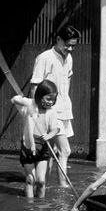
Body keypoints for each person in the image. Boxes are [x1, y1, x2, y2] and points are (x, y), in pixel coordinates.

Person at [30, 25, 80, 187]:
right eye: (67, 44)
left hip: (64, 109)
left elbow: (68, 81)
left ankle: (45, 185)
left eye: (73, 45)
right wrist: (38, 112)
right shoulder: (45, 58)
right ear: (58, 39)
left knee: (51, 153)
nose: (70, 48)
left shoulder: (69, 58)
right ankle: (63, 188)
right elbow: (35, 86)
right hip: (50, 112)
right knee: (65, 151)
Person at [11, 80, 61, 198]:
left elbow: (56, 129)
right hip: (28, 146)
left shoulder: (52, 112)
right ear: (40, 96)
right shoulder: (30, 106)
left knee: (41, 181)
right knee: (30, 180)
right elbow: (15, 99)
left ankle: (40, 207)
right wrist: (30, 102)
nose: (51, 102)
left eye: (53, 99)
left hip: (43, 146)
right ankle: (30, 206)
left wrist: (49, 135)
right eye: (48, 99)